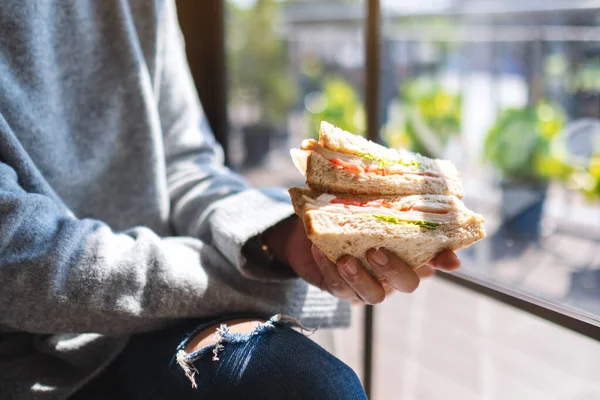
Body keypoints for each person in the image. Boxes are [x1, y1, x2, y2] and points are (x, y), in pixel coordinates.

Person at [0, 1, 460, 399]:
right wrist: (268, 282)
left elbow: (185, 163)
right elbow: (15, 258)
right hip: (30, 359)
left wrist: (280, 241)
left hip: (157, 321)